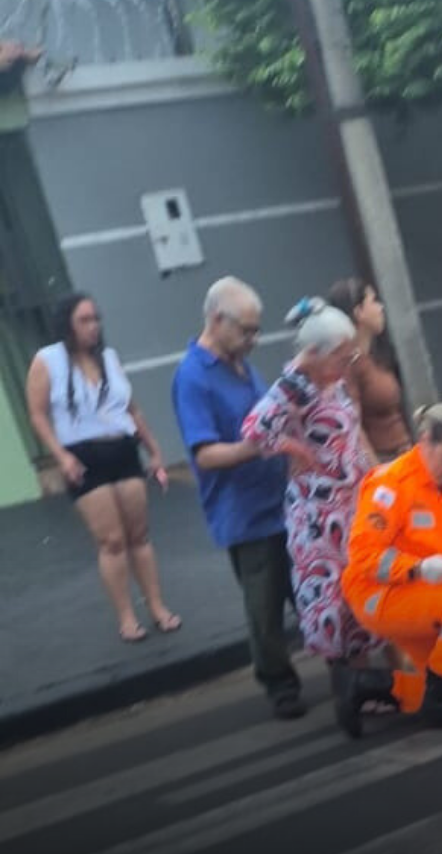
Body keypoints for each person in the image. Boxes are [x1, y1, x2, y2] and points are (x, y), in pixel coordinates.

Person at [241, 298, 394, 734]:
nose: (346, 363)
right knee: (331, 602)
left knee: (358, 597)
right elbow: (254, 430)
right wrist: (293, 448)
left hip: (350, 505)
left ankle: (364, 688)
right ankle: (349, 691)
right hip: (317, 516)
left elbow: (349, 433)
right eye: (341, 356)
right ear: (317, 353)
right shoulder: (295, 384)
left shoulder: (334, 382)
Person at [172, 277, 309, 718]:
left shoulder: (240, 363)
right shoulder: (193, 377)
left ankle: (344, 664)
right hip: (244, 514)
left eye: (256, 330)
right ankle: (279, 684)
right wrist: (261, 446)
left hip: (281, 500)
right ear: (217, 320)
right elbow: (206, 454)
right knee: (264, 608)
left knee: (308, 591)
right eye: (247, 330)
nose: (254, 339)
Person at [25, 293, 181, 642]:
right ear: (68, 323)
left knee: (139, 535)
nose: (93, 326)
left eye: (96, 319)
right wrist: (61, 457)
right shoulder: (47, 360)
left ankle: (157, 607)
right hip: (83, 456)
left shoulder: (108, 358)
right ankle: (126, 618)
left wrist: (154, 451)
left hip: (122, 450)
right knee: (111, 540)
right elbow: (37, 414)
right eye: (84, 320)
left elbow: (132, 409)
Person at [341, 402, 442, 729]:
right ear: (425, 440)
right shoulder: (390, 485)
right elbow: (365, 557)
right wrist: (420, 568)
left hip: (421, 592)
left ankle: (366, 686)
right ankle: (438, 704)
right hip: (378, 594)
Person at [327, 278, 413, 463]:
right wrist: (377, 474)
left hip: (403, 456)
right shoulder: (350, 365)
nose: (380, 307)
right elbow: (353, 427)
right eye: (373, 301)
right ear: (358, 312)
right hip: (382, 462)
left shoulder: (375, 355)